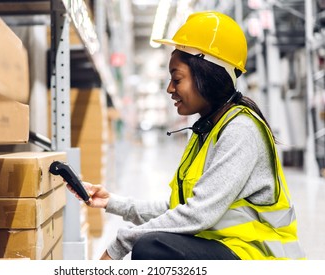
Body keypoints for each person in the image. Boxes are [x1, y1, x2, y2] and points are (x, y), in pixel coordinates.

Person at [67, 11, 306, 260]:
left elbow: (196, 215)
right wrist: (113, 203)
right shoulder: (207, 131)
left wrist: (120, 244)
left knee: (152, 247)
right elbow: (179, 208)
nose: (170, 88)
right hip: (231, 248)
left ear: (207, 76)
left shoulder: (240, 130)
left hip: (259, 258)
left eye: (176, 78)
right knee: (154, 242)